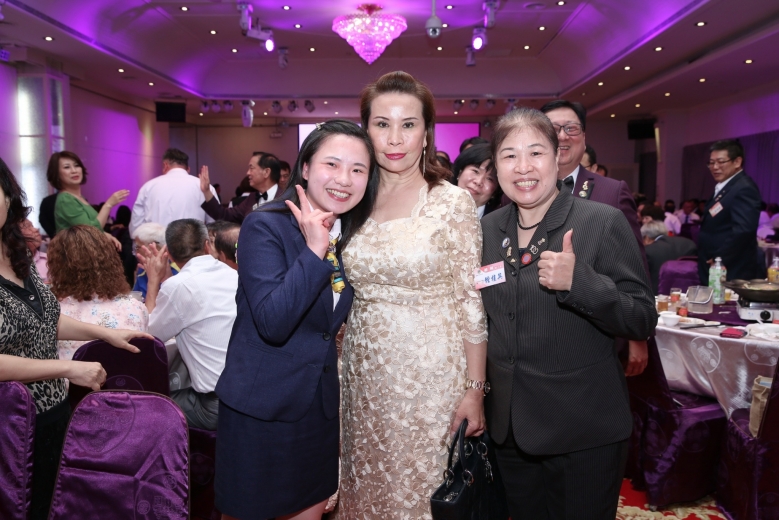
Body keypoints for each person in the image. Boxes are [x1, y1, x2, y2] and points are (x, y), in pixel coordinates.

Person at [480, 107, 655, 520]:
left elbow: (642, 317)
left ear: (557, 157)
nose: (523, 167)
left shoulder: (601, 221)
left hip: (583, 428)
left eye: (536, 153)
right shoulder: (487, 229)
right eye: (509, 155)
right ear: (496, 167)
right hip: (510, 428)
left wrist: (580, 282)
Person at [336, 71, 488, 519]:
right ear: (366, 129)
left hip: (431, 378)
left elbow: (470, 301)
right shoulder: (351, 200)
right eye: (382, 124)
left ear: (426, 132)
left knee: (422, 492)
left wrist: (475, 390)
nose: (394, 139)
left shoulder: (451, 202)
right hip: (361, 375)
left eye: (408, 125)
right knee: (365, 488)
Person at [215, 120, 377, 520]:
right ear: (305, 167)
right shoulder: (264, 225)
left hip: (317, 409)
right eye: (332, 164)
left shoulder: (352, 234)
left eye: (358, 169)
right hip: (261, 406)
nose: (344, 179)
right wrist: (314, 251)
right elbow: (274, 321)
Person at [0, 157, 152, 520]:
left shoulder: (16, 255)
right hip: (9, 425)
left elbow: (45, 320)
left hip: (52, 414)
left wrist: (107, 334)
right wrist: (68, 368)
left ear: (8, 195)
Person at [541, 99, 649, 377]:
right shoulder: (518, 191)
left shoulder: (612, 191)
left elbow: (636, 269)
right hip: (537, 336)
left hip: (595, 334)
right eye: (553, 129)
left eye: (571, 128)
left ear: (584, 136)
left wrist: (638, 337)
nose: (562, 136)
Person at [137, 219, 238, 431]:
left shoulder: (178, 286)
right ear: (207, 245)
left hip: (216, 406)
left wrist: (154, 281)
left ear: (170, 255)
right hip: (244, 394)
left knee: (141, 406)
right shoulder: (233, 274)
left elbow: (149, 337)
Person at [47, 225, 149, 361]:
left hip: (71, 374)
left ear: (57, 267)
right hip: (124, 375)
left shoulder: (51, 314)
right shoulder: (136, 307)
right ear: (111, 260)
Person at [697, 139, 762, 283]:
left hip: (731, 266)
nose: (715, 167)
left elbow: (743, 230)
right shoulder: (726, 186)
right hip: (715, 262)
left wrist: (720, 258)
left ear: (737, 162)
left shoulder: (744, 188)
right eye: (711, 163)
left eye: (720, 162)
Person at [129, 148, 216, 235]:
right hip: (193, 241)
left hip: (156, 242)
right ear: (187, 168)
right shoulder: (206, 187)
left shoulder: (148, 187)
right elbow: (214, 224)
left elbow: (136, 226)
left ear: (165, 165)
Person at [46, 151, 128, 241]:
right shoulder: (66, 199)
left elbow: (89, 226)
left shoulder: (79, 198)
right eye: (67, 167)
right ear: (57, 174)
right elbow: (90, 232)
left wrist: (106, 235)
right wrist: (108, 205)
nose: (74, 170)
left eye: (76, 165)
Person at [199, 153, 282, 224]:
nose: (248, 173)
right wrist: (206, 191)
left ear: (266, 172)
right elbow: (225, 215)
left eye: (251, 168)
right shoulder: (252, 198)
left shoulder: (286, 199)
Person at [641, 220, 698, 294]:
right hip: (691, 293)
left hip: (657, 295)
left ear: (646, 238)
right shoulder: (688, 243)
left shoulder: (648, 251)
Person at [452, 142, 502, 218]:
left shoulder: (497, 222)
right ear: (460, 172)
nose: (478, 182)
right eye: (475, 171)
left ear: (495, 191)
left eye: (490, 179)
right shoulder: (435, 205)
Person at [130, 222, 179, 298]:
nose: (135, 253)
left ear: (153, 247)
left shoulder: (177, 273)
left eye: (137, 247)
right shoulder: (142, 269)